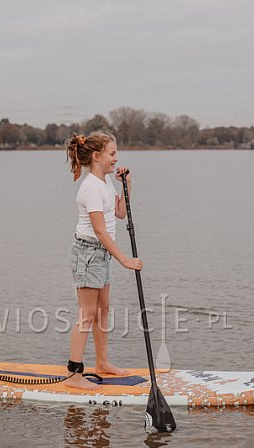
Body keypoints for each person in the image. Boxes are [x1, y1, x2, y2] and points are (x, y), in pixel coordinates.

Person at [65, 131, 143, 391]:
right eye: (111, 154)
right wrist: (124, 260)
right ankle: (74, 374)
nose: (116, 159)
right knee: (86, 314)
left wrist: (126, 184)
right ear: (96, 156)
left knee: (103, 309)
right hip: (89, 253)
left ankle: (102, 363)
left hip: (102, 252)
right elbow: (100, 231)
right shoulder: (90, 188)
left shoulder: (106, 183)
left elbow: (120, 214)